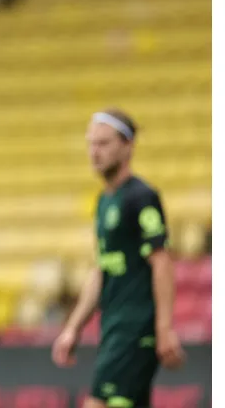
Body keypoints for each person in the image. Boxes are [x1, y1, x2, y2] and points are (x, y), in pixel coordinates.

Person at [51, 109, 186, 408]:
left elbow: (162, 262)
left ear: (127, 145)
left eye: (103, 143)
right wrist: (73, 328)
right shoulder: (104, 201)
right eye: (90, 144)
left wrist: (164, 329)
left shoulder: (142, 197)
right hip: (113, 328)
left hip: (135, 329)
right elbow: (103, 268)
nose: (94, 152)